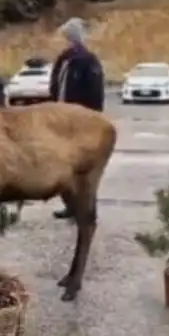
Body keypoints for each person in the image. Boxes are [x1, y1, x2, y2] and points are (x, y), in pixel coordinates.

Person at [49, 17, 105, 219]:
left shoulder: (88, 61)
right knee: (64, 167)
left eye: (66, 37)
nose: (63, 41)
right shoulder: (63, 60)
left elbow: (95, 94)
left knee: (84, 169)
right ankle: (71, 205)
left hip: (81, 122)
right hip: (61, 121)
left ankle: (88, 209)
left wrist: (94, 121)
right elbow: (54, 87)